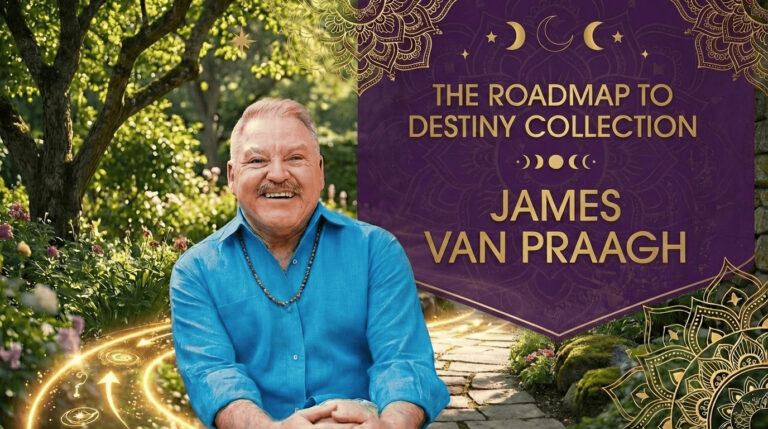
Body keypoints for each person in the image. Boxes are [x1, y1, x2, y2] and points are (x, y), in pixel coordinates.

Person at [170, 98, 449, 429]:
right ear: (232, 176)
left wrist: (388, 425)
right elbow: (214, 375)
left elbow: (402, 361)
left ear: (319, 172)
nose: (277, 174)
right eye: (257, 160)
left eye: (295, 158)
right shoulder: (195, 272)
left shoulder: (377, 251)